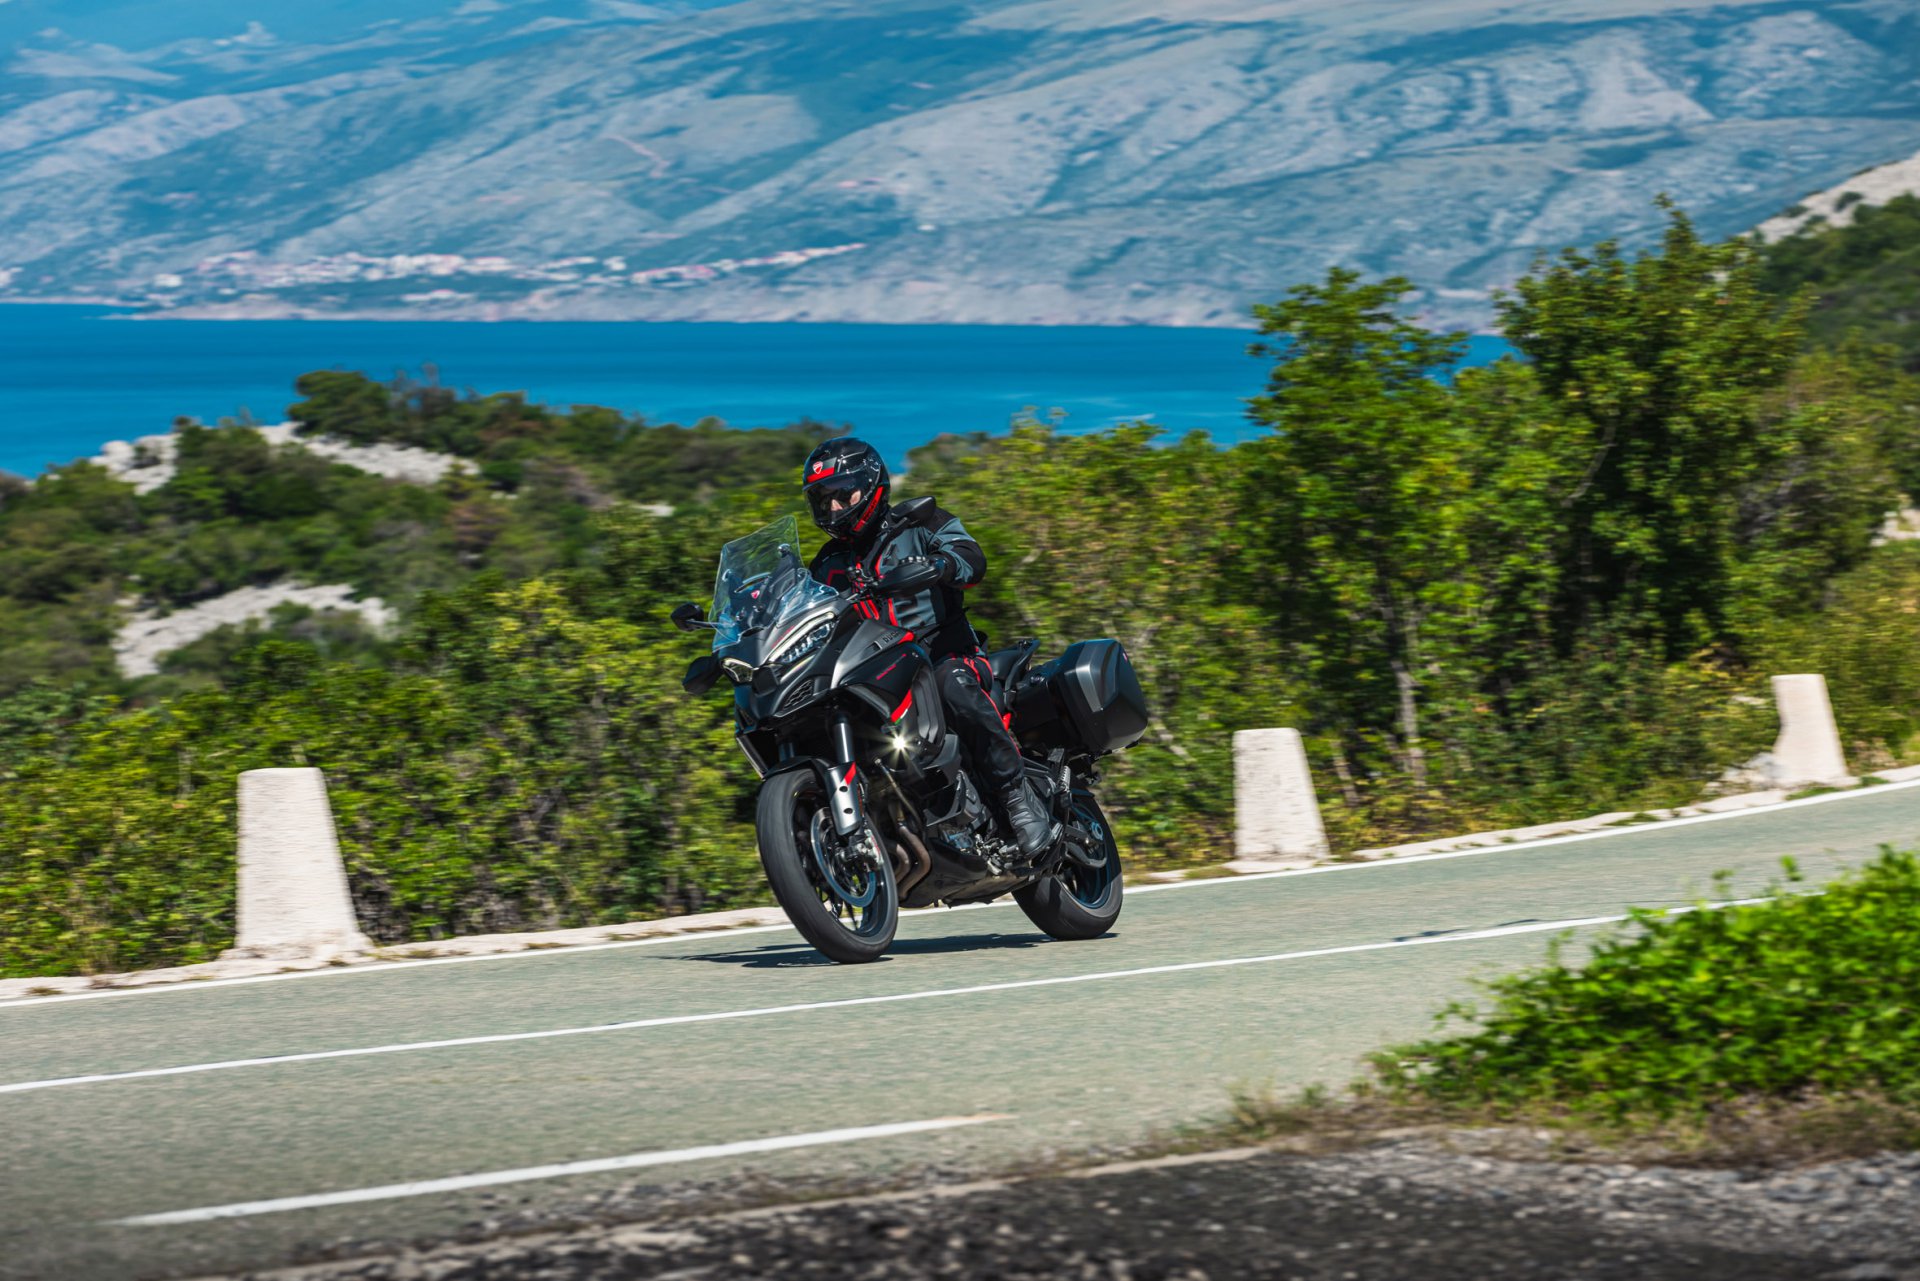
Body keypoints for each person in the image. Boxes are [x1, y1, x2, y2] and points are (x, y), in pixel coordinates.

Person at [801, 437, 1060, 863]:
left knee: (950, 683)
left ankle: (1018, 799)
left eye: (841, 495)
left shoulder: (919, 523)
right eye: (822, 499)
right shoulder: (827, 564)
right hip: (877, 673)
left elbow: (971, 556)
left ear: (870, 486)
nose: (833, 508)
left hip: (947, 655)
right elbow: (803, 608)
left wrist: (941, 564)